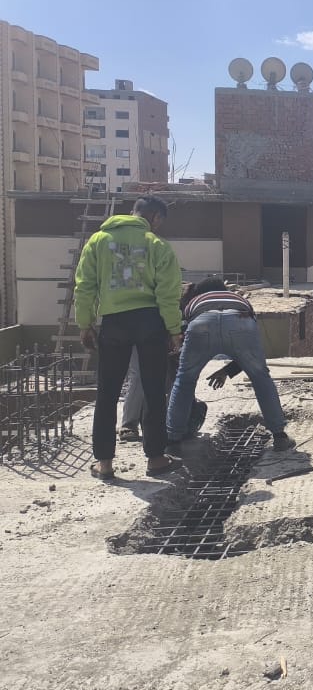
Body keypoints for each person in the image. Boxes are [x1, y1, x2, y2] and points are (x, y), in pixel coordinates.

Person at [74, 195, 184, 480]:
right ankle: (156, 459)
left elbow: (85, 285)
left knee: (107, 393)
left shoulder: (98, 241)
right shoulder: (157, 245)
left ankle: (105, 464)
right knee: (153, 390)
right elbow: (168, 294)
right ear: (155, 218)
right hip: (150, 322)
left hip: (114, 323)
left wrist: (85, 324)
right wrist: (174, 330)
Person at [166, 277, 293, 451]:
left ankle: (173, 441)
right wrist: (228, 371)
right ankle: (280, 437)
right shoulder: (239, 300)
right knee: (260, 377)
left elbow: (182, 339)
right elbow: (250, 356)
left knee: (184, 381)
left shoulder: (194, 302)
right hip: (240, 321)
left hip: (202, 323)